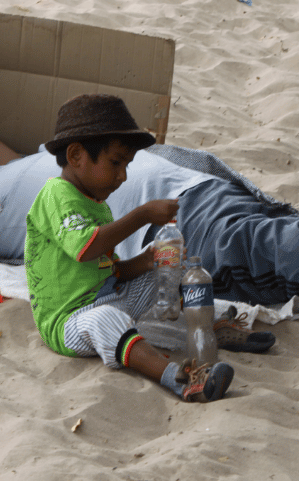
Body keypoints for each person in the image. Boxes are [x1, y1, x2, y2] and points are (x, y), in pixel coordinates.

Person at [0, 126, 298, 307]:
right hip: (167, 231)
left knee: (268, 241)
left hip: (194, 191)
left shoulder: (8, 167)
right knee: (264, 248)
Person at [24, 94, 234, 403]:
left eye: (126, 166)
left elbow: (111, 270)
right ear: (76, 155)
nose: (123, 176)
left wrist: (148, 261)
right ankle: (181, 379)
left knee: (179, 267)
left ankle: (213, 326)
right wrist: (142, 214)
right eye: (115, 163)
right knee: (107, 320)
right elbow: (87, 249)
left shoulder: (97, 205)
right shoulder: (56, 194)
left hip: (111, 295)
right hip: (70, 321)